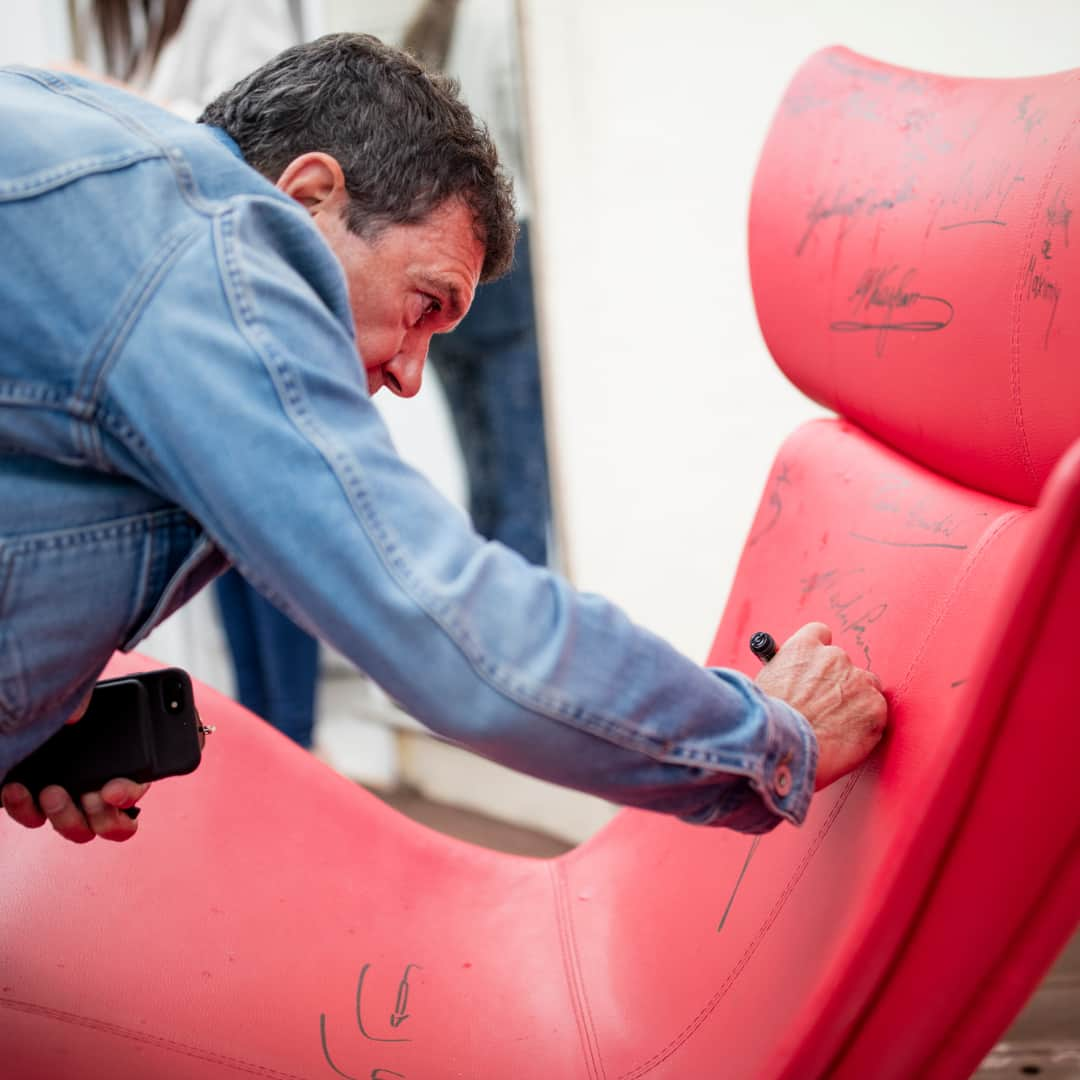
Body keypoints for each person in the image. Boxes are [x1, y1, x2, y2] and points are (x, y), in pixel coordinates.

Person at [0, 34, 886, 845]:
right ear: (307, 196)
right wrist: (772, 739)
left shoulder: (92, 163)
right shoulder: (211, 251)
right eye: (425, 306)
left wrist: (28, 724)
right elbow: (446, 621)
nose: (409, 376)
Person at [69, 0, 325, 750]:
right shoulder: (147, 28)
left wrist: (103, 101)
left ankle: (294, 751)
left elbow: (257, 141)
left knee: (273, 550)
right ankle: (272, 751)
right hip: (185, 320)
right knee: (226, 554)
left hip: (241, 309)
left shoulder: (237, 8)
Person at [404, 0, 552, 567]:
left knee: (485, 478)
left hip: (448, 255)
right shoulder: (505, 21)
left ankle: (490, 629)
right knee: (522, 480)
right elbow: (529, 140)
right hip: (506, 253)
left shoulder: (432, 28)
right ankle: (522, 639)